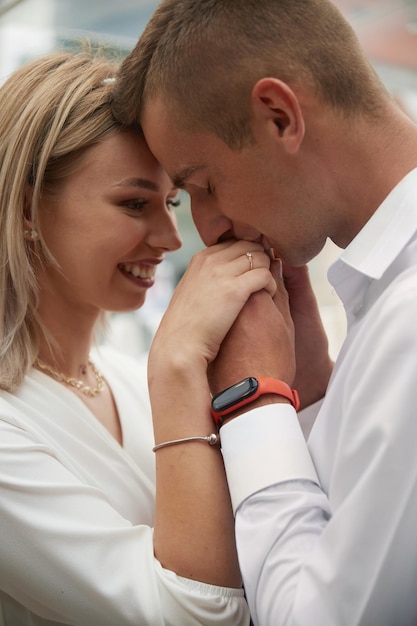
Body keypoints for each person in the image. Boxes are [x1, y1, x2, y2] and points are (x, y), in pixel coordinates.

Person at [112, 0, 417, 624]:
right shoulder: (384, 301)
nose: (207, 228)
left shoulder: (408, 319)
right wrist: (313, 401)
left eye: (204, 185)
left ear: (279, 116)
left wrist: (253, 405)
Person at [0, 48, 265, 625]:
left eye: (171, 202)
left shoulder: (124, 375)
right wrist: (175, 364)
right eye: (135, 203)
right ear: (26, 208)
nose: (172, 237)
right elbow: (195, 613)